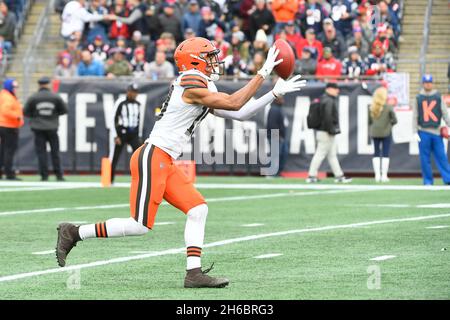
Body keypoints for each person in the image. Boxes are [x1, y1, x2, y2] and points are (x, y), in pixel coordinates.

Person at [56, 37, 306, 288]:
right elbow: (234, 102)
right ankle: (74, 232)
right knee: (139, 225)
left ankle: (193, 273)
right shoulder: (190, 81)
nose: (214, 62)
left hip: (166, 160)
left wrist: (273, 93)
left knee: (198, 209)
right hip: (153, 156)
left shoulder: (202, 84)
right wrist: (263, 73)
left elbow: (239, 113)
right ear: (194, 60)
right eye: (209, 57)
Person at [23, 77, 68, 181]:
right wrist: (53, 115)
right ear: (48, 84)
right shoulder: (55, 97)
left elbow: (25, 112)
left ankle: (44, 175)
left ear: (39, 85)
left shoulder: (33, 97)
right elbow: (64, 110)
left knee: (41, 152)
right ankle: (59, 175)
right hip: (52, 127)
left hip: (38, 128)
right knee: (55, 152)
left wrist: (36, 116)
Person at [306, 82, 352, 183]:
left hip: (323, 131)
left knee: (331, 155)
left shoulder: (322, 99)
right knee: (320, 154)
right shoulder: (328, 100)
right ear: (329, 89)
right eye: (335, 89)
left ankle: (339, 175)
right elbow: (327, 116)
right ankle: (311, 175)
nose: (337, 91)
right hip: (326, 132)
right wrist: (332, 130)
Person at [413, 74, 450, 185]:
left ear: (432, 83)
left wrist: (449, 124)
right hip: (423, 130)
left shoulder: (438, 96)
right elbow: (415, 115)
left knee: (442, 157)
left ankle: (448, 178)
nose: (428, 84)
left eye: (429, 82)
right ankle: (428, 180)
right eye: (426, 82)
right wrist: (414, 131)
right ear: (423, 83)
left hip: (436, 131)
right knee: (424, 158)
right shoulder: (418, 97)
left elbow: (444, 113)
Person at [109, 83, 142, 184]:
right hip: (121, 133)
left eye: (136, 92)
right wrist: (115, 135)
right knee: (115, 156)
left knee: (139, 156)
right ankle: (110, 179)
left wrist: (139, 135)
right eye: (132, 92)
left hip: (134, 134)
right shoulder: (121, 102)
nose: (134, 94)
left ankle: (140, 179)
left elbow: (138, 120)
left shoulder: (138, 104)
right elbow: (113, 118)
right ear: (128, 92)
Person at [369, 86, 397, 182]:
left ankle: (377, 175)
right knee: (385, 153)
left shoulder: (371, 108)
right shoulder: (388, 107)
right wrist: (389, 125)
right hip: (386, 133)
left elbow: (369, 121)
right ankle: (384, 175)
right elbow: (395, 120)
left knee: (376, 153)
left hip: (374, 133)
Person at [0, 78, 23, 180]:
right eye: (14, 87)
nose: (16, 89)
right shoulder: (8, 97)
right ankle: (9, 173)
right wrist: (17, 116)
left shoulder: (4, 95)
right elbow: (5, 110)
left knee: (3, 150)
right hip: (9, 126)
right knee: (9, 151)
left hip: (4, 125)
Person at [267, 95, 288, 176]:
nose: (283, 100)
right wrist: (277, 136)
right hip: (275, 136)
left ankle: (277, 173)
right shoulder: (274, 109)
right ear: (276, 100)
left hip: (280, 137)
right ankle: (272, 174)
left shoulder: (279, 109)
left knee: (282, 155)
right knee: (275, 156)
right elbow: (272, 125)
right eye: (281, 98)